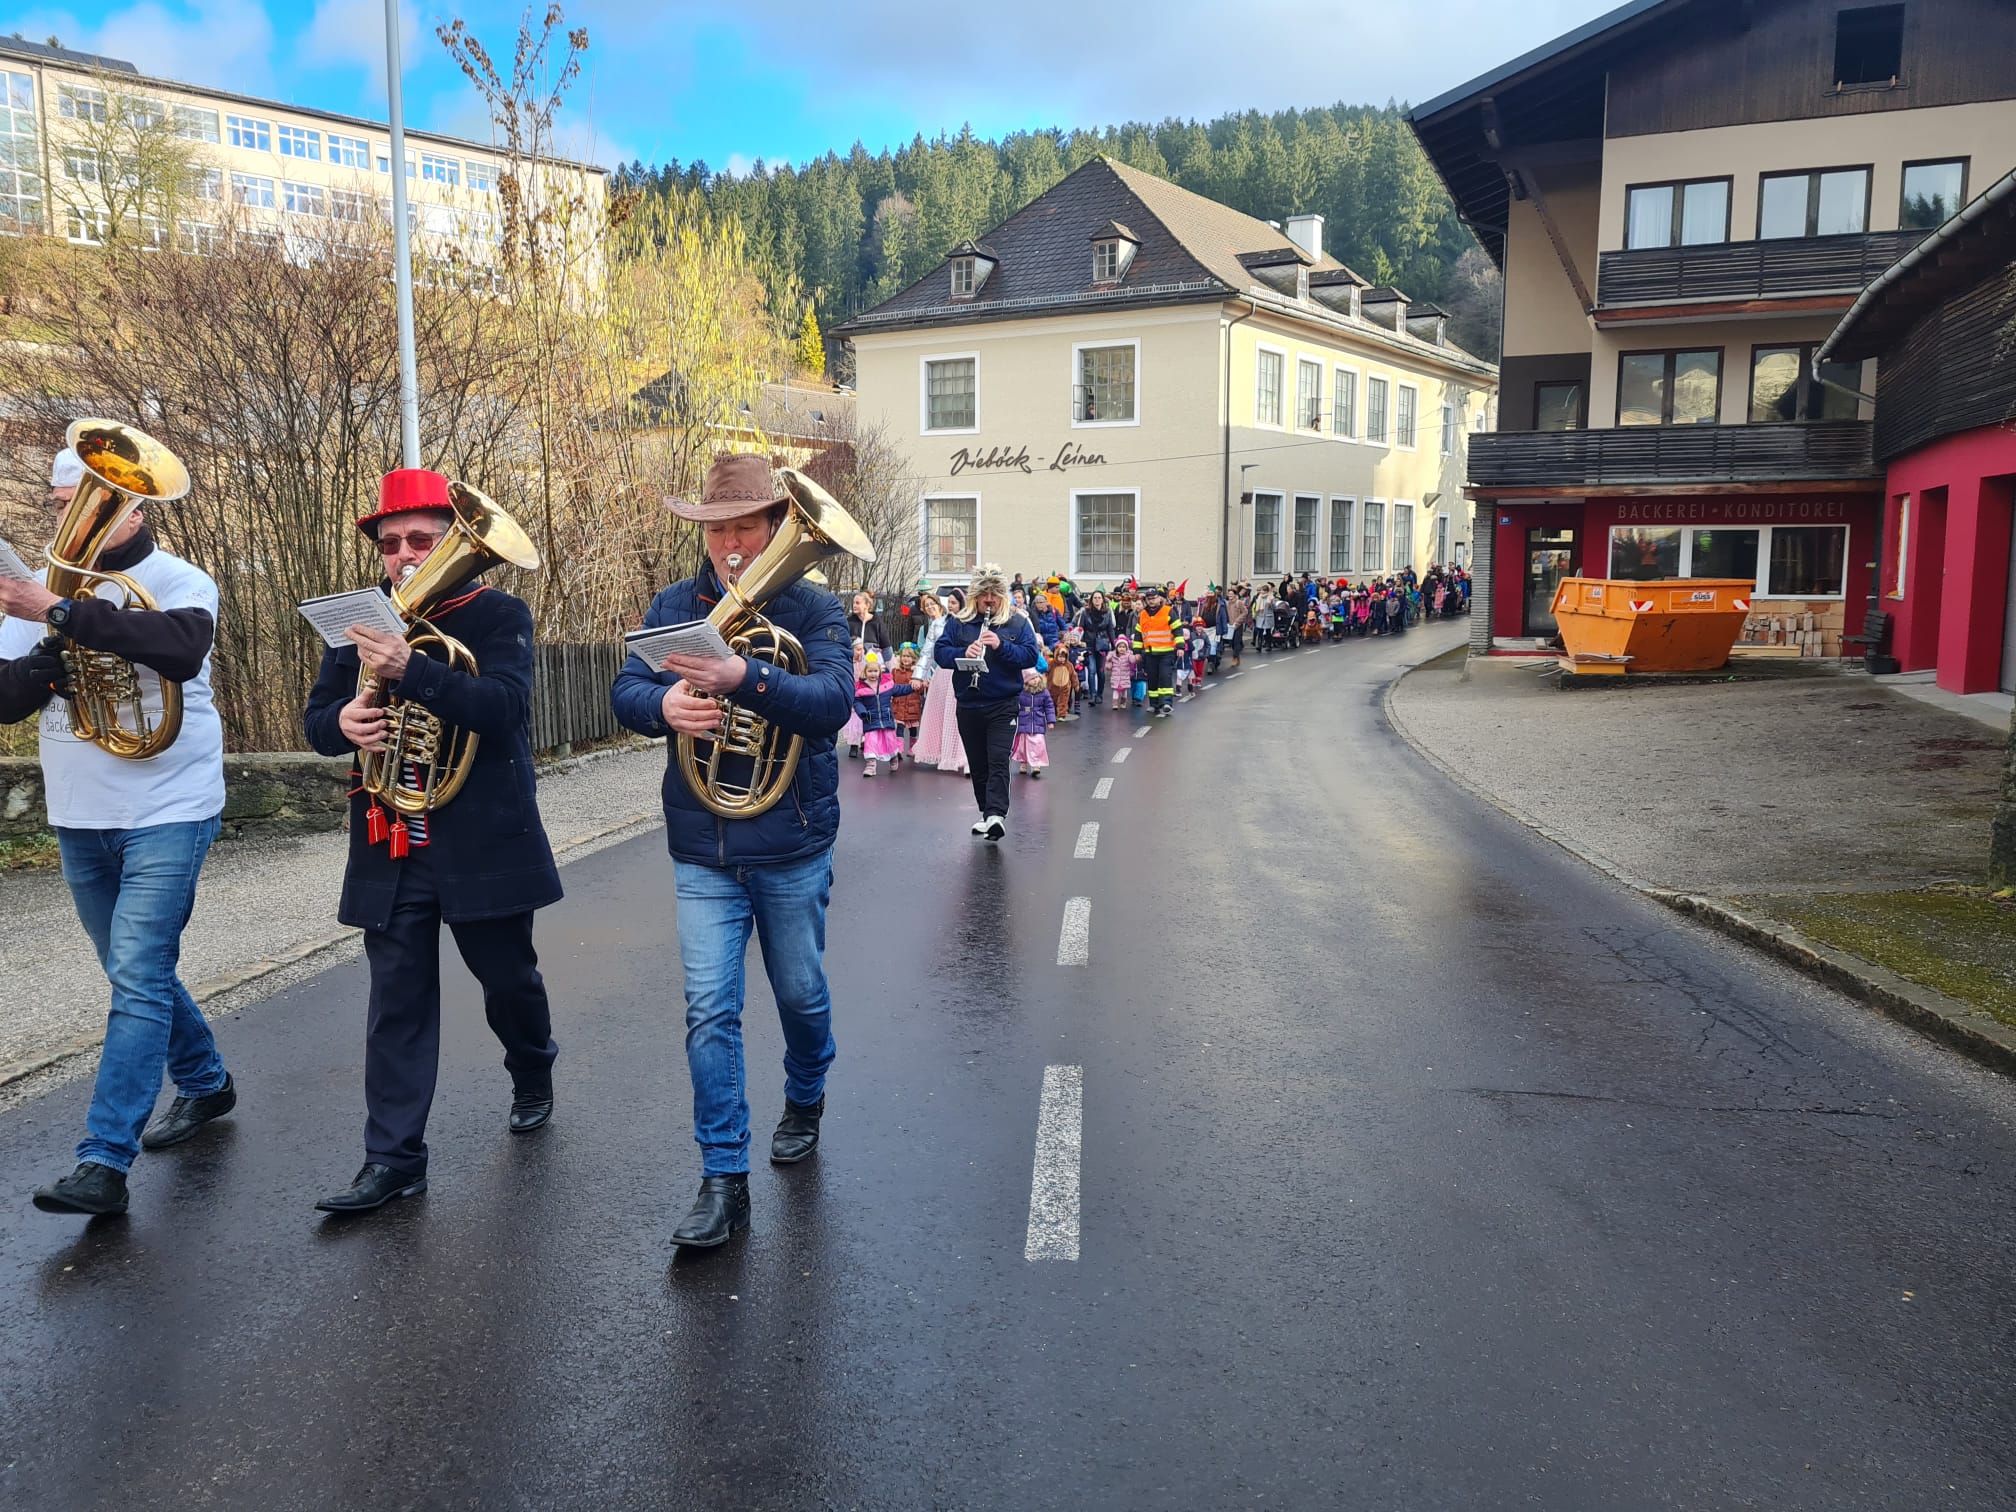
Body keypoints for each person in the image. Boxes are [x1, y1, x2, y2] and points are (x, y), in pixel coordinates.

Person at [609, 453, 853, 1249]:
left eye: (746, 525)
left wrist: (745, 676)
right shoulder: (675, 605)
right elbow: (626, 690)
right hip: (703, 847)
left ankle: (806, 1092)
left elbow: (831, 707)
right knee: (710, 1011)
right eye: (717, 528)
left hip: (790, 845)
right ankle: (723, 1179)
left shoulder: (816, 612)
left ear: (779, 525)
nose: (730, 542)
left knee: (801, 997)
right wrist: (666, 704)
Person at [302, 468, 562, 1215]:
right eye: (391, 543)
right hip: (393, 840)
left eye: (421, 538)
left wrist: (411, 670)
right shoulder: (358, 619)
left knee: (508, 982)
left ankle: (532, 1064)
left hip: (482, 840)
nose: (405, 554)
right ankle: (392, 1160)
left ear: (452, 538)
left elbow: (505, 709)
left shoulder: (497, 612)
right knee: (396, 1005)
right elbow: (320, 720)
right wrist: (342, 726)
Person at [1, 444, 236, 1217]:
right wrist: (47, 660)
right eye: (63, 502)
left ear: (134, 507)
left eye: (90, 501)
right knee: (137, 973)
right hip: (79, 812)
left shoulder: (178, 579)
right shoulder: (32, 592)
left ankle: (102, 1162)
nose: (70, 517)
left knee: (136, 976)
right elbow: (6, 700)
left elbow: (180, 646)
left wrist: (62, 613)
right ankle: (205, 1082)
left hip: (170, 805)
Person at [934, 563, 1040, 840]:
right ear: (975, 595)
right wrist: (963, 651)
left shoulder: (1016, 621)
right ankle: (987, 813)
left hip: (1003, 703)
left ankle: (996, 815)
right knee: (978, 764)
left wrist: (1001, 645)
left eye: (994, 593)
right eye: (984, 594)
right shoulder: (959, 622)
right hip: (968, 704)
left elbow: (1030, 656)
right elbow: (940, 652)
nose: (989, 599)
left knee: (997, 759)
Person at [1132, 584, 1181, 717]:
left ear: (1159, 598)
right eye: (1149, 599)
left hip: (1166, 652)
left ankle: (1166, 703)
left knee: (1165, 677)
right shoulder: (1143, 614)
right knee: (1152, 679)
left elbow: (1177, 629)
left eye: (1154, 598)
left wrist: (1180, 647)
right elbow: (1138, 634)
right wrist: (1136, 651)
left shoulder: (1168, 611)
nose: (1151, 601)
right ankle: (1154, 704)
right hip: (1150, 653)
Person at [853, 647, 900, 777]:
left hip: (886, 719)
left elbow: (900, 689)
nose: (873, 674)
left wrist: (914, 687)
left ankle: (893, 758)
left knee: (890, 741)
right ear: (865, 672)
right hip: (870, 719)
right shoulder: (861, 688)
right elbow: (857, 702)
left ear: (880, 672)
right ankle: (871, 766)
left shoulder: (887, 685)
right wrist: (862, 712)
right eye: (870, 671)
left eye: (875, 671)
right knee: (870, 742)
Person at [1014, 669, 1055, 777]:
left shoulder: (1044, 692)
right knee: (1023, 745)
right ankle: (1023, 763)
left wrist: (1050, 720)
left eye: (1036, 677)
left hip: (1038, 722)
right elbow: (1015, 706)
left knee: (1038, 744)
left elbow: (1049, 706)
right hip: (1024, 722)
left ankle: (1036, 765)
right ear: (1026, 681)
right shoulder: (1021, 692)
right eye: (1032, 679)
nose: (1035, 680)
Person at [889, 642, 925, 763]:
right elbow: (890, 686)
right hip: (898, 704)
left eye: (909, 656)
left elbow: (920, 691)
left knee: (913, 729)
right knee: (899, 727)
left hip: (912, 705)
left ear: (914, 658)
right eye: (904, 656)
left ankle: (912, 747)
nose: (905, 659)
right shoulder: (895, 671)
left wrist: (922, 684)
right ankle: (898, 749)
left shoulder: (917, 673)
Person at [846, 590, 889, 654]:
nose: (854, 605)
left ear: (867, 605)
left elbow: (886, 648)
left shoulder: (877, 623)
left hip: (873, 662)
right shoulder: (849, 622)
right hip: (854, 662)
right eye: (853, 603)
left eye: (857, 603)